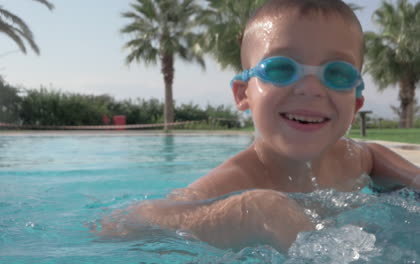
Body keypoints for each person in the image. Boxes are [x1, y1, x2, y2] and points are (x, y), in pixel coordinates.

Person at [100, 0, 420, 252]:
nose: (310, 88)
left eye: (337, 74)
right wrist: (252, 209)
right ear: (243, 95)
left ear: (356, 104)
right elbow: (118, 224)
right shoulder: (238, 179)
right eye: (281, 69)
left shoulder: (363, 159)